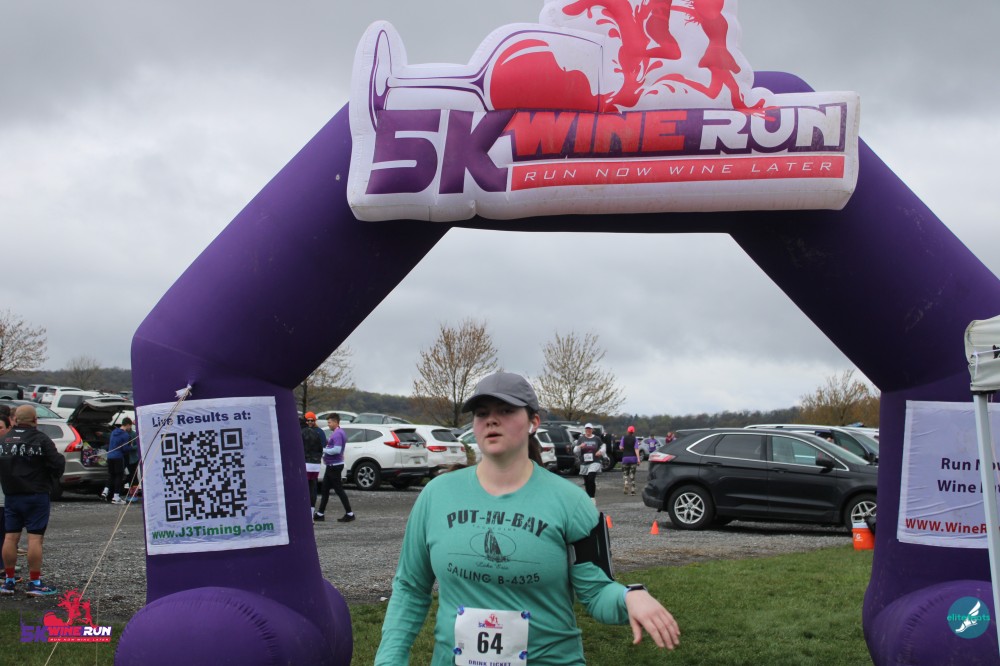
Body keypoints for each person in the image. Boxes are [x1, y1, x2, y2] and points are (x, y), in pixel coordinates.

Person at [374, 371, 679, 664]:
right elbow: (410, 588)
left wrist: (629, 597)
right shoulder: (436, 495)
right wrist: (390, 659)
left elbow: (597, 592)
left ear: (534, 422)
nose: (491, 419)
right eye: (482, 413)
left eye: (506, 410)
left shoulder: (571, 502)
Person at [0, 405, 66, 596]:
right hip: (36, 494)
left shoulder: (4, 441)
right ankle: (35, 582)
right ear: (35, 420)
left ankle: (8, 581)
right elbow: (57, 463)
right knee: (35, 538)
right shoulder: (41, 439)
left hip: (11, 495)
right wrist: (51, 477)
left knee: (10, 537)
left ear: (15, 420)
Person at [315, 414, 354, 523]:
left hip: (335, 466)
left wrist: (323, 450)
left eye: (329, 422)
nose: (328, 425)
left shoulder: (337, 434)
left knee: (338, 490)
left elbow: (336, 450)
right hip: (332, 465)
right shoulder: (338, 432)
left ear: (336, 422)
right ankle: (320, 514)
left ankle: (350, 514)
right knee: (325, 489)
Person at [103, 417, 135, 505]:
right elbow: (125, 449)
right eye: (130, 426)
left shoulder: (113, 432)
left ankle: (105, 490)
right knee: (119, 476)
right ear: (128, 425)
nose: (130, 428)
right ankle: (116, 497)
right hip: (118, 457)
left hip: (110, 456)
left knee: (111, 474)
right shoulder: (126, 435)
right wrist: (131, 446)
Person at [300, 415, 325, 518]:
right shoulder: (316, 433)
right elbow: (321, 448)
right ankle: (311, 512)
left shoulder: (300, 433)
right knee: (313, 487)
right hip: (315, 464)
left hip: (305, 462)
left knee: (303, 487)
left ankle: (302, 511)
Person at [574, 423, 606, 502]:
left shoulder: (596, 438)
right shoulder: (581, 439)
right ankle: (588, 498)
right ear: (585, 430)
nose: (588, 430)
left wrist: (600, 451)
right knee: (587, 481)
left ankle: (592, 498)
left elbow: (603, 446)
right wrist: (580, 447)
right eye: (587, 429)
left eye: (589, 429)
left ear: (592, 430)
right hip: (584, 462)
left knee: (591, 478)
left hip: (595, 461)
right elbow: (575, 451)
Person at [619, 425, 640, 495]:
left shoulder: (623, 438)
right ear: (633, 432)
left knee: (625, 473)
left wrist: (623, 448)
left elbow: (621, 447)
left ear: (627, 431)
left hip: (625, 458)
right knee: (632, 474)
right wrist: (638, 459)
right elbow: (636, 449)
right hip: (633, 458)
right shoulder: (635, 439)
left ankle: (626, 482)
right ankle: (633, 490)